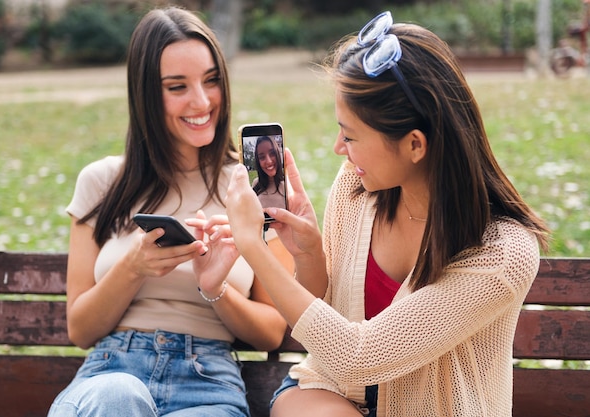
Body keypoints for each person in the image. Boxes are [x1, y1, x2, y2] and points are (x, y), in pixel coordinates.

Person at [224, 10, 550, 417]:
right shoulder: (358, 187)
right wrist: (309, 255)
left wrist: (253, 247)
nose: (338, 148)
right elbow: (326, 323)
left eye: (352, 135)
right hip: (332, 393)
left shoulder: (503, 253)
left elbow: (359, 354)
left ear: (415, 145)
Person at [47, 6, 291, 417]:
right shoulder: (101, 182)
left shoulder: (250, 187)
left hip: (208, 385)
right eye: (177, 86)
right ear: (145, 94)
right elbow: (81, 329)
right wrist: (135, 266)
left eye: (211, 80)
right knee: (120, 398)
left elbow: (271, 331)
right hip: (109, 375)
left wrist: (215, 288)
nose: (202, 101)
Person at [252, 135, 286, 209]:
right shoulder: (256, 183)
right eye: (262, 157)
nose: (269, 161)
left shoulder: (287, 185)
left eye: (272, 153)